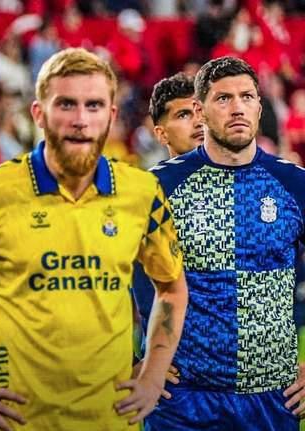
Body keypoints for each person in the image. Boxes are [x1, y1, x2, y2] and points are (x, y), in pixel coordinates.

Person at [0, 47, 189, 430]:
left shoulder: (142, 192)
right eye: (66, 104)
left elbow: (171, 288)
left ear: (112, 115)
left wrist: (152, 375)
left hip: (112, 420)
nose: (81, 119)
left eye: (94, 105)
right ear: (38, 114)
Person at [144, 56, 305, 431]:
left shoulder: (294, 184)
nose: (237, 108)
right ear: (200, 111)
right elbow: (117, 274)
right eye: (223, 98)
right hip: (182, 400)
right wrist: (136, 360)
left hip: (272, 398)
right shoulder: (159, 186)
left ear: (259, 107)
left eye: (246, 97)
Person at [132, 72, 204, 389]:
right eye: (184, 115)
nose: (198, 122)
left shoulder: (256, 184)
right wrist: (129, 364)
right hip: (171, 381)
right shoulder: (142, 193)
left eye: (201, 111)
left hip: (248, 383)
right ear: (161, 134)